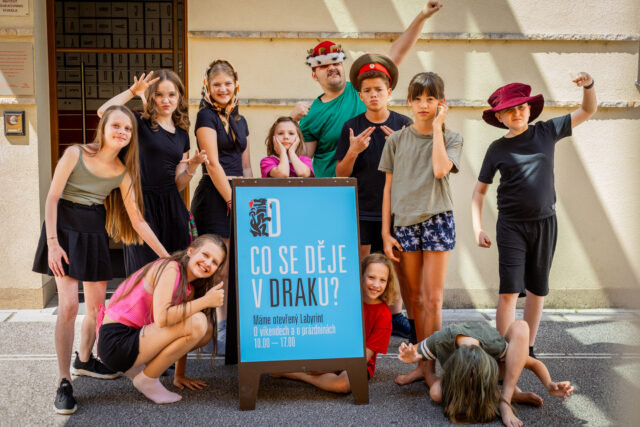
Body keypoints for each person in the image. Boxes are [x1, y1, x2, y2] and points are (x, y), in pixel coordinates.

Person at [32, 105, 170, 414]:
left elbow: (138, 221)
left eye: (128, 128)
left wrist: (167, 257)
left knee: (97, 309)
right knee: (69, 306)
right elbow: (52, 197)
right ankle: (64, 380)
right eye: (116, 125)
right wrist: (52, 243)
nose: (122, 131)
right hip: (64, 229)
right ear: (103, 128)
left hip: (94, 232)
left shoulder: (122, 172)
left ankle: (84, 360)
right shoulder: (75, 154)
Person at [471, 73, 597, 358]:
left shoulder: (546, 131)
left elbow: (587, 110)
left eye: (521, 107)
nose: (516, 113)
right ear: (499, 117)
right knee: (509, 291)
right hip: (511, 226)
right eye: (509, 110)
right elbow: (478, 192)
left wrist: (588, 87)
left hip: (545, 223)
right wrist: (477, 228)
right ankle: (503, 352)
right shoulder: (497, 149)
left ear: (529, 109)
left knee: (537, 290)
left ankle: (526, 349)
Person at [291, 1, 444, 178]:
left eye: (335, 62)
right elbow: (302, 161)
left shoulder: (364, 88)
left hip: (374, 184)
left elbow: (396, 54)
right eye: (324, 66)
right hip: (334, 187)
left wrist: (422, 16)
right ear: (314, 75)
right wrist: (292, 120)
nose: (331, 67)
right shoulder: (311, 113)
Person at [379, 72, 463, 386]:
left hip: (437, 219)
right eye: (418, 99)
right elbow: (387, 188)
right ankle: (423, 368)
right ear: (410, 101)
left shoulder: (452, 138)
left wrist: (438, 128)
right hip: (404, 223)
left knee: (433, 300)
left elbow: (440, 169)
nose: (423, 104)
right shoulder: (396, 141)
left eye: (430, 98)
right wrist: (385, 233)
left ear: (441, 102)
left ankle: (434, 368)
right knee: (414, 300)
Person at [98, 70, 209, 276]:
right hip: (141, 205)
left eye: (171, 94)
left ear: (179, 97)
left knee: (175, 273)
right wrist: (133, 91)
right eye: (159, 94)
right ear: (152, 97)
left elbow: (178, 183)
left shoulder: (182, 134)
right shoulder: (138, 123)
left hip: (172, 208)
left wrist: (193, 166)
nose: (166, 100)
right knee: (144, 273)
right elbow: (104, 112)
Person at [95, 234, 227, 404]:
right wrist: (205, 301)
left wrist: (179, 375)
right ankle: (147, 379)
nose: (208, 263)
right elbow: (162, 318)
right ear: (191, 251)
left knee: (206, 330)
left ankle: (142, 369)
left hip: (135, 338)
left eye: (215, 262)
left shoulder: (188, 287)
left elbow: (183, 332)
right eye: (205, 255)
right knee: (198, 322)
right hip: (116, 342)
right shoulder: (170, 269)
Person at [335, 53, 412, 339]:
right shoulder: (351, 126)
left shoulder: (405, 125)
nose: (373, 94)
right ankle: (360, 317)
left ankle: (395, 316)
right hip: (363, 208)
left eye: (379, 89)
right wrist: (354, 151)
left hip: (397, 210)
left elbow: (417, 172)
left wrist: (402, 150)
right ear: (360, 95)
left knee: (395, 265)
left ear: (389, 92)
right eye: (367, 90)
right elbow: (341, 173)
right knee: (364, 266)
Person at [398, 321, 574, 426]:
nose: (472, 386)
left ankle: (506, 398)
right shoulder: (441, 341)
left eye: (475, 380)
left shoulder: (495, 346)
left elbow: (533, 363)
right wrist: (410, 357)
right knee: (436, 393)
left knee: (521, 326)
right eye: (469, 381)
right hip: (464, 370)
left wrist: (550, 384)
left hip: (497, 369)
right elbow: (411, 352)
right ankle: (514, 396)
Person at [190, 59, 252, 353]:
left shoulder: (240, 119)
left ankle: (228, 325)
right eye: (217, 85)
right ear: (208, 86)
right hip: (216, 198)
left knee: (235, 268)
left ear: (235, 84)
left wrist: (250, 200)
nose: (223, 89)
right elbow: (213, 164)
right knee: (217, 268)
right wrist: (231, 200)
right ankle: (212, 328)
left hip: (238, 195)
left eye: (227, 84)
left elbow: (246, 165)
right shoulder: (205, 116)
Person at [272, 253, 398, 392]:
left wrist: (328, 368)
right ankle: (302, 369)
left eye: (382, 280)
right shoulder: (345, 298)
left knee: (343, 385)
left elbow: (363, 358)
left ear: (388, 283)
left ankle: (296, 374)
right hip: (332, 352)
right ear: (361, 275)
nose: (376, 284)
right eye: (371, 277)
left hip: (359, 362)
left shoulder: (383, 315)